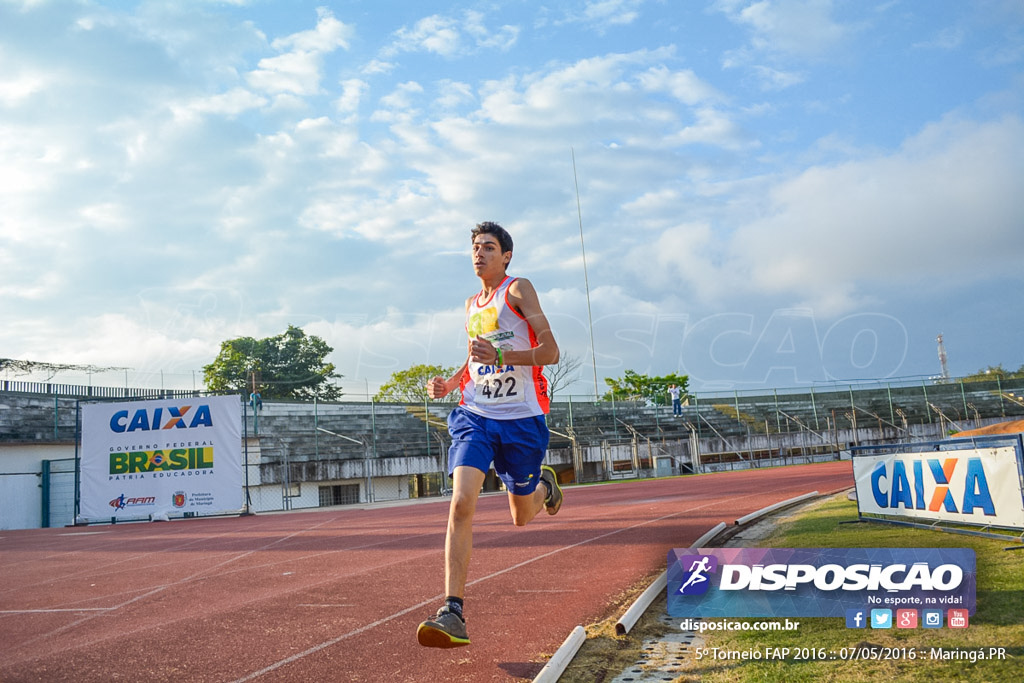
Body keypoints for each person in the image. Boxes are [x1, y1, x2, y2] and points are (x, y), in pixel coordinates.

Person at [416, 221, 563, 649]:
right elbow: (473, 356)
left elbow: (551, 352)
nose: (479, 253)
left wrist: (501, 353)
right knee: (462, 502)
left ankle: (544, 487)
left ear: (507, 256)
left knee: (521, 516)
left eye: (489, 247)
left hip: (521, 420)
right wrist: (451, 382)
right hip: (475, 413)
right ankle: (452, 611)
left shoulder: (518, 291)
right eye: (475, 247)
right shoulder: (470, 304)